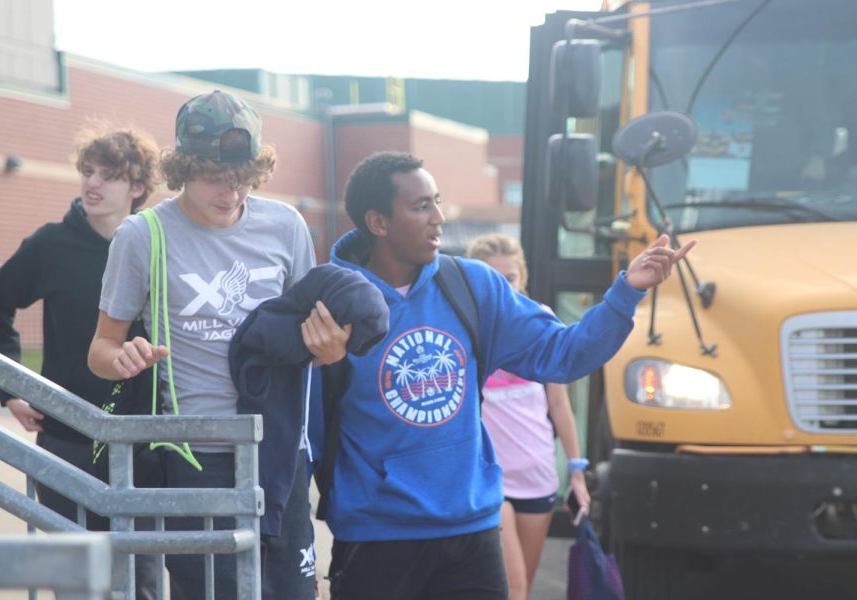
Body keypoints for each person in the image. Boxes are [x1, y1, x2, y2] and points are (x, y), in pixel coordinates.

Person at [320, 151, 695, 600]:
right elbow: (304, 431)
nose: (439, 217)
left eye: (437, 201)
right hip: (377, 537)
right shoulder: (329, 301)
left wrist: (625, 293)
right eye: (421, 206)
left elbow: (564, 355)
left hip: (473, 531)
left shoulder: (473, 286)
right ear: (378, 223)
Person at [87, 89, 348, 600]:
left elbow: (313, 338)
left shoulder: (286, 226)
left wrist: (331, 350)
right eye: (215, 179)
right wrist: (121, 360)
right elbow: (101, 347)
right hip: (194, 454)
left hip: (280, 450)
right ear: (183, 169)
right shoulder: (143, 236)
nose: (231, 193)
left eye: (243, 179)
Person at [0, 126, 161, 596]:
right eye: (87, 172)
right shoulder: (50, 245)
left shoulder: (155, 245)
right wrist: (11, 389)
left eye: (109, 175)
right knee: (78, 581)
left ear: (138, 187)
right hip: (66, 440)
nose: (92, 184)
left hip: (141, 441)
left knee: (139, 578)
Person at [467, 233, 590, 600]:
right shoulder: (468, 327)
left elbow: (559, 403)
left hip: (538, 476)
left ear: (522, 277)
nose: (503, 286)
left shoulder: (541, 321)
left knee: (526, 587)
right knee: (513, 587)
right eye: (493, 278)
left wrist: (577, 472)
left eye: (510, 278)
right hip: (491, 479)